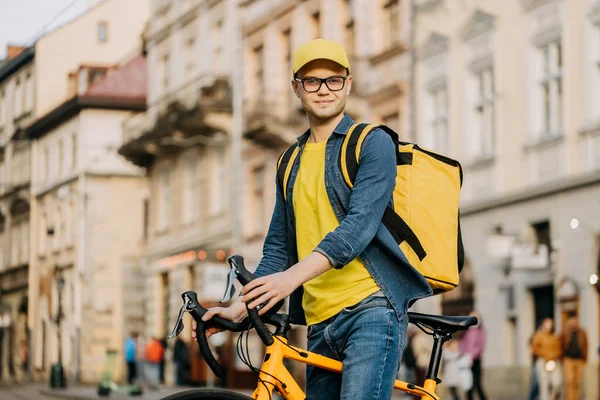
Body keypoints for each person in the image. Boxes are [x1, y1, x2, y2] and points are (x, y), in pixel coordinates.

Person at [192, 38, 432, 399]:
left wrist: (289, 281)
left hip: (371, 310)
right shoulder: (289, 161)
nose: (324, 90)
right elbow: (277, 249)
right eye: (312, 81)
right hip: (320, 323)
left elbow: (356, 229)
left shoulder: (372, 142)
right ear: (296, 88)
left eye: (334, 80)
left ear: (348, 84)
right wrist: (241, 306)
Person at [459, 311, 487, 400]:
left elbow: (480, 345)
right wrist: (464, 354)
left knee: (477, 383)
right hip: (466, 360)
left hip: (475, 360)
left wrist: (472, 356)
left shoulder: (481, 330)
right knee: (468, 384)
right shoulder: (466, 330)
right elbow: (462, 343)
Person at [531, 318, 562, 400]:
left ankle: (552, 398)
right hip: (542, 361)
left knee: (556, 383)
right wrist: (544, 355)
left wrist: (555, 355)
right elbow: (534, 348)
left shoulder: (554, 336)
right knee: (544, 385)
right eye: (547, 324)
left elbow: (558, 348)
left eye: (550, 324)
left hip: (553, 361)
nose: (549, 326)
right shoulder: (538, 336)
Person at [560, 312, 588, 400]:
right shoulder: (565, 331)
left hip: (579, 360)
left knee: (578, 382)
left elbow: (586, 345)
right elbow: (560, 344)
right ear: (569, 321)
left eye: (575, 319)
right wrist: (561, 358)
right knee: (569, 381)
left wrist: (585, 358)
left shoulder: (582, 332)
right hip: (568, 359)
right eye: (572, 320)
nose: (574, 322)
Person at [528, 322, 543, 400]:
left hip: (546, 363)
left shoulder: (548, 337)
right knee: (535, 383)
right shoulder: (535, 337)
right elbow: (533, 349)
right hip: (537, 363)